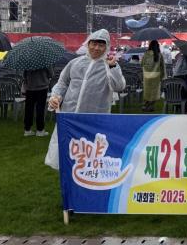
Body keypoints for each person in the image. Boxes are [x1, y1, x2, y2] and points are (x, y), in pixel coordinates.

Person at [45, 29, 126, 170]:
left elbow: (119, 86)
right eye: (93, 44)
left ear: (106, 47)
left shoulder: (109, 66)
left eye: (101, 45)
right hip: (70, 116)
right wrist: (55, 96)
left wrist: (113, 67)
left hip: (94, 121)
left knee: (91, 160)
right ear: (88, 44)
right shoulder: (75, 63)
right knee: (67, 155)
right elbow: (63, 82)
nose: (96, 48)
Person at [23, 67, 53, 136]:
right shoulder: (45, 61)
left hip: (30, 88)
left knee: (29, 109)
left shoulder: (27, 62)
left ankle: (27, 129)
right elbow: (51, 74)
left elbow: (24, 75)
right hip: (42, 88)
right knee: (40, 109)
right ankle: (40, 130)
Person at [141, 40, 166, 112]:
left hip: (146, 76)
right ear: (157, 46)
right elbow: (163, 66)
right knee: (154, 93)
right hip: (156, 76)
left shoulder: (145, 54)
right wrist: (163, 76)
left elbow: (142, 64)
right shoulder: (159, 55)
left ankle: (145, 105)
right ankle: (151, 106)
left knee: (147, 92)